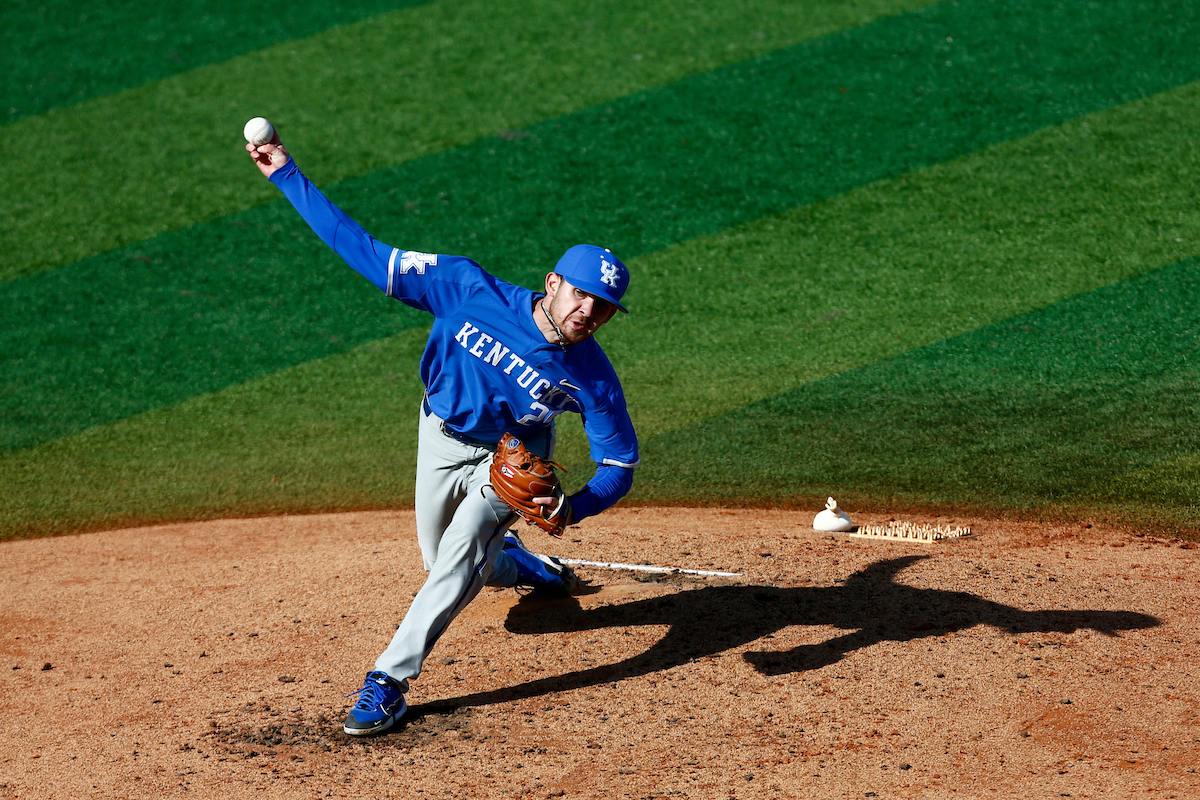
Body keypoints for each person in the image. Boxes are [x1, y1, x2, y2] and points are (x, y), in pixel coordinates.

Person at [245, 132, 639, 736]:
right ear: (552, 283)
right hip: (438, 436)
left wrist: (572, 507)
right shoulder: (463, 286)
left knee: (460, 554)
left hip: (510, 460)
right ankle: (522, 567)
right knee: (442, 562)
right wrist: (286, 173)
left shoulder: (594, 379)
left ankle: (387, 682)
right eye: (581, 294)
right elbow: (362, 248)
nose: (588, 311)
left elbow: (619, 465)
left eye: (603, 306)